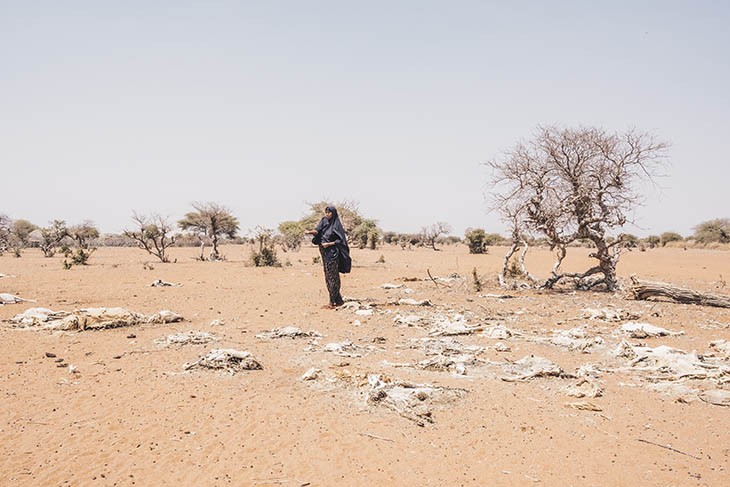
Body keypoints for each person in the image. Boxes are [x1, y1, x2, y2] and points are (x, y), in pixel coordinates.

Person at [305, 206, 351, 308]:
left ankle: (332, 301)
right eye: (326, 212)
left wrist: (330, 244)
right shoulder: (324, 221)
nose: (327, 214)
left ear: (333, 213)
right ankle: (338, 300)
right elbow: (317, 231)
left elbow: (341, 240)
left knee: (333, 276)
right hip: (324, 252)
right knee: (327, 275)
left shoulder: (336, 224)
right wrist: (310, 232)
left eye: (329, 212)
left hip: (332, 253)